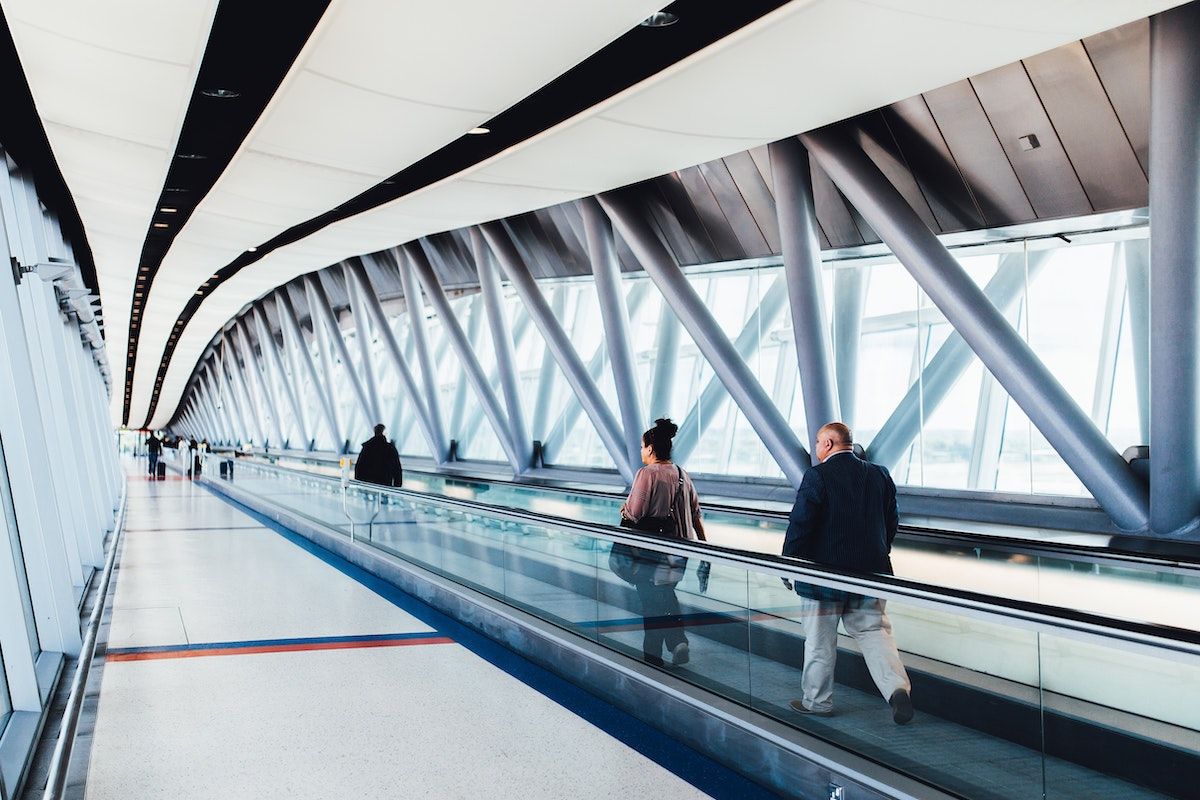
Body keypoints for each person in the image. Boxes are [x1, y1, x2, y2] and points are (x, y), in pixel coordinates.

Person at [783, 422, 913, 725]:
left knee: (819, 641)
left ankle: (817, 702)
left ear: (828, 444)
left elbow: (801, 523)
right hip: (871, 574)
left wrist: (789, 562)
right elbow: (891, 521)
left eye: (817, 442)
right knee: (875, 633)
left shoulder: (818, 476)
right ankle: (896, 689)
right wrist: (879, 553)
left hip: (822, 577)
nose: (815, 448)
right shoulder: (879, 474)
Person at [619, 418, 710, 668]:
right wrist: (704, 548)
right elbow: (695, 515)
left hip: (652, 551)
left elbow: (634, 513)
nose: (640, 452)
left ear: (650, 448)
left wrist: (623, 511)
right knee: (665, 593)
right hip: (680, 550)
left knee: (651, 600)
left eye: (641, 447)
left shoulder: (646, 474)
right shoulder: (682, 474)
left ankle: (653, 657)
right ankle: (677, 641)